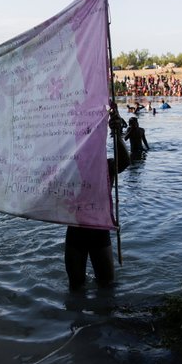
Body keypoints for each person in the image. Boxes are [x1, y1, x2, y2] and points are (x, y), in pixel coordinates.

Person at [64, 107, 130, 290]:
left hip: (99, 231)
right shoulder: (70, 168)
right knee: (76, 287)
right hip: (75, 231)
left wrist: (117, 133)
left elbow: (125, 161)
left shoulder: (105, 167)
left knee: (106, 285)